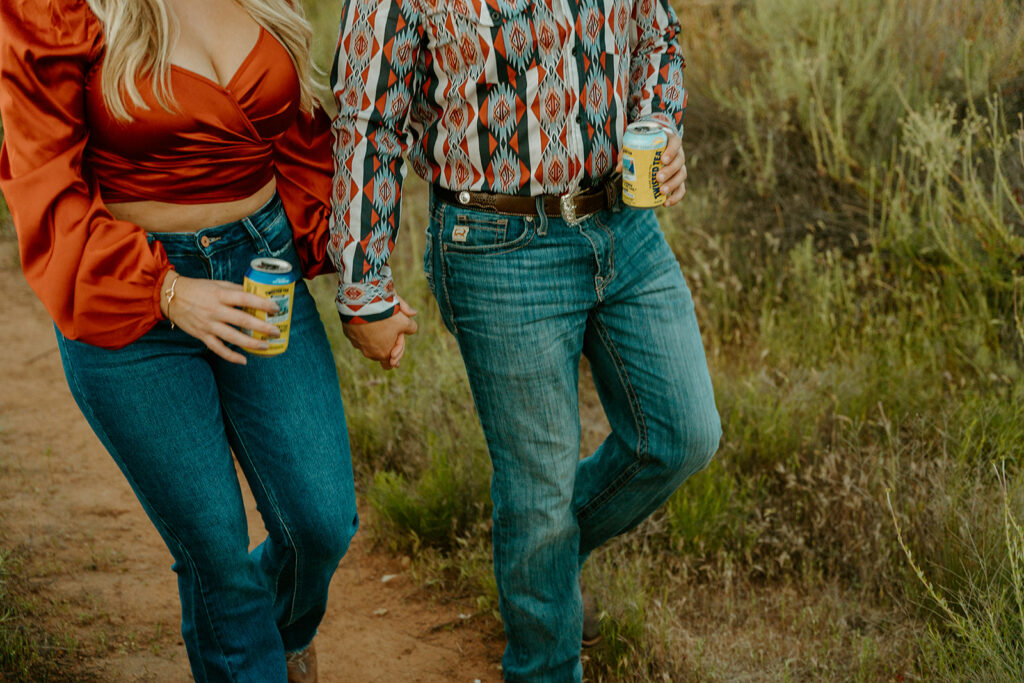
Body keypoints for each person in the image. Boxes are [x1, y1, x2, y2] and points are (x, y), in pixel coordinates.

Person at [330, 0, 722, 680]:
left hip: (624, 226)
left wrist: (659, 122)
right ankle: (543, 654)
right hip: (496, 244)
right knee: (537, 492)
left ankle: (543, 562)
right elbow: (371, 120)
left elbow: (655, 28)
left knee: (682, 434)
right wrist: (364, 287)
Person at [0, 1, 358, 680]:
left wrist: (358, 276)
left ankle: (274, 631)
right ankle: (245, 638)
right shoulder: (54, 10)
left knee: (321, 522)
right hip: (130, 303)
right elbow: (46, 187)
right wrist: (167, 291)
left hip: (259, 270)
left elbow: (301, 132)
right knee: (217, 555)